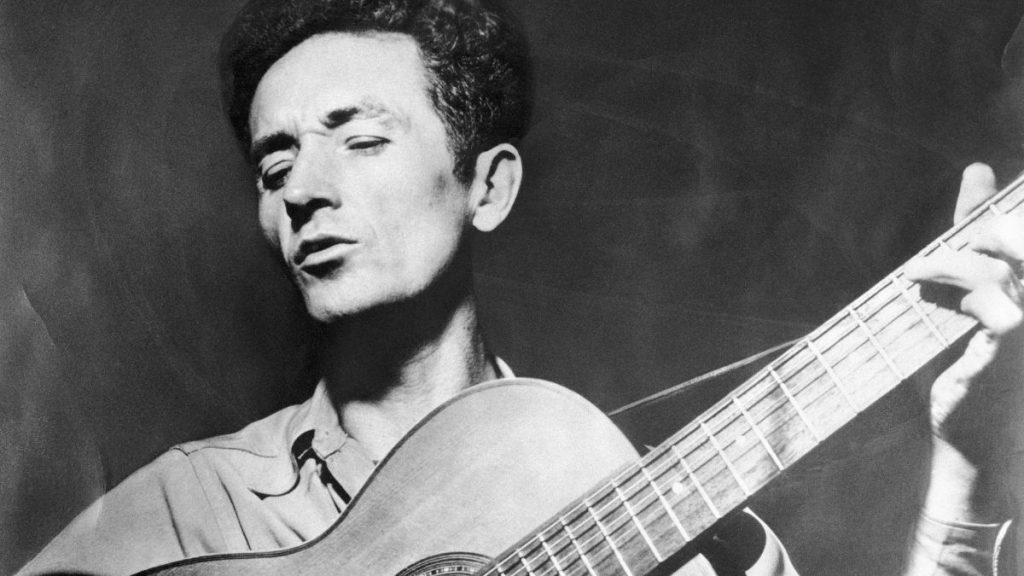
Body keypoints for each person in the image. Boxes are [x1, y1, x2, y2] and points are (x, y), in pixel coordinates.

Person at [15, 0, 1021, 574]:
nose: (304, 190)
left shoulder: (633, 509)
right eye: (274, 167)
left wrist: (968, 477)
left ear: (488, 187)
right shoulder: (188, 506)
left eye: (359, 140)